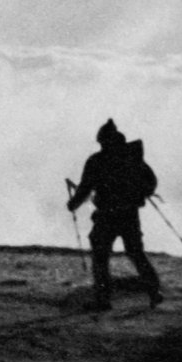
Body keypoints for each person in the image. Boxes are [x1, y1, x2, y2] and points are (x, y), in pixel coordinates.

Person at [66, 119, 163, 311]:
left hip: (107, 216)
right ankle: (154, 292)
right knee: (136, 253)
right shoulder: (132, 158)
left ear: (104, 140)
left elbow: (86, 187)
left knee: (101, 256)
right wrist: (138, 194)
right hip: (129, 214)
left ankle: (103, 299)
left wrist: (73, 204)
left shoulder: (97, 160)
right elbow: (151, 182)